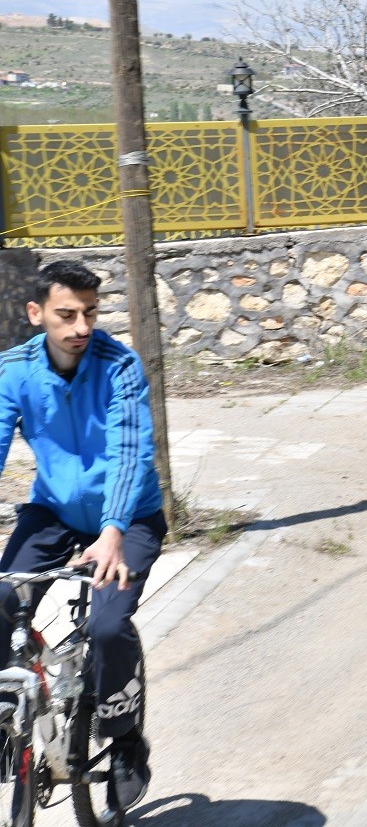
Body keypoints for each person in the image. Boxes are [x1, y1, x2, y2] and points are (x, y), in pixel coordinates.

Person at [0, 260, 162, 812]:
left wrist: (114, 531)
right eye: (66, 314)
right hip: (55, 512)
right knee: (1, 601)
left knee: (109, 624)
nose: (80, 327)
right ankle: (11, 715)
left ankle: (123, 741)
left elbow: (130, 456)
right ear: (36, 312)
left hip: (131, 516)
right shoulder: (14, 370)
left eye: (90, 313)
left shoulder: (120, 366)